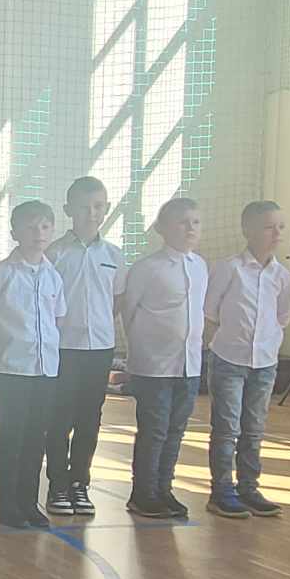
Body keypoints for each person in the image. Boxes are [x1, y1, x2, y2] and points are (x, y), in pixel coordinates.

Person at [0, 200, 66, 528]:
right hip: (10, 368)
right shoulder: (1, 273)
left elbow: (57, 320)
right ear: (15, 232)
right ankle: (6, 505)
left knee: (36, 436)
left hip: (45, 369)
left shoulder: (53, 276)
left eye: (44, 226)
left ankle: (28, 502)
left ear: (52, 230)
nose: (38, 233)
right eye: (30, 226)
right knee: (12, 433)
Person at [203, 199, 290, 519]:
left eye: (280, 227)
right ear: (247, 230)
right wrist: (219, 342)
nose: (276, 233)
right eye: (268, 227)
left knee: (253, 428)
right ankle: (221, 490)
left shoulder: (281, 275)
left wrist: (267, 345)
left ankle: (249, 487)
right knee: (227, 428)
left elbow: (282, 316)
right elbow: (210, 311)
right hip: (229, 358)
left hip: (264, 362)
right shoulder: (229, 268)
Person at [120, 197, 207, 521]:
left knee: (175, 430)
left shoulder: (200, 266)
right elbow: (129, 312)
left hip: (188, 364)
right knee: (154, 431)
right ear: (162, 228)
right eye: (182, 222)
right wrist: (141, 351)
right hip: (154, 366)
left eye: (195, 222)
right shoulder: (147, 268)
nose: (190, 228)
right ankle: (143, 493)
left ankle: (163, 489)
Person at [43, 176, 125, 518]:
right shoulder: (55, 253)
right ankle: (57, 483)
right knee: (59, 417)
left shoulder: (114, 255)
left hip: (100, 348)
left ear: (106, 209)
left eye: (98, 206)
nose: (92, 213)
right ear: (68, 210)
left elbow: (116, 301)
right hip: (64, 348)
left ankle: (80, 482)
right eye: (84, 206)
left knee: (90, 418)